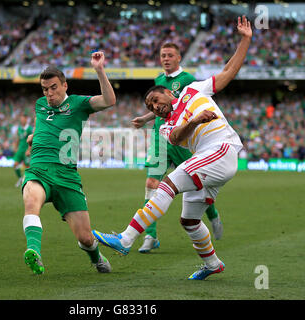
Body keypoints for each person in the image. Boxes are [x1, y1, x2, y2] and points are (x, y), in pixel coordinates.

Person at [93, 16, 252, 280]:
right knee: (189, 220)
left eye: (155, 100)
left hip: (221, 149)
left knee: (166, 184)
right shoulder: (166, 126)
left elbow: (226, 74)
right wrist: (193, 120)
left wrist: (245, 39)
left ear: (169, 93)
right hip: (207, 159)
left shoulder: (193, 90)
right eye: (150, 107)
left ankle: (126, 237)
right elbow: (178, 137)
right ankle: (213, 264)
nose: (154, 107)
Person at [21, 51, 116, 275]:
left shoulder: (78, 104)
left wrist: (100, 70)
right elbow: (42, 127)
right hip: (39, 169)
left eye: (53, 87)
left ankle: (96, 256)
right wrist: (33, 138)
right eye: (45, 89)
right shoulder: (40, 105)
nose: (49, 93)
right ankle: (33, 251)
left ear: (65, 86)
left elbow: (109, 101)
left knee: (85, 237)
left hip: (66, 175)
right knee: (31, 202)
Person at [131, 43, 223, 254]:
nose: (166, 58)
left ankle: (213, 214)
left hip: (182, 138)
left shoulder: (188, 80)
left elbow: (187, 104)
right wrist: (146, 118)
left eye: (170, 55)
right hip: (161, 137)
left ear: (179, 57)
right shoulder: (159, 81)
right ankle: (150, 235)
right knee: (152, 182)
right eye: (163, 55)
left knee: (197, 185)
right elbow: (160, 109)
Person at [13, 114, 34, 187]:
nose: (21, 120)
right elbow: (18, 138)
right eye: (20, 119)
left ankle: (28, 181)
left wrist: (29, 149)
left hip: (26, 150)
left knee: (28, 166)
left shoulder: (30, 128)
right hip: (20, 150)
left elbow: (32, 139)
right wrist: (15, 147)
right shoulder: (19, 128)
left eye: (23, 119)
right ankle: (20, 178)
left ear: (26, 119)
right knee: (15, 164)